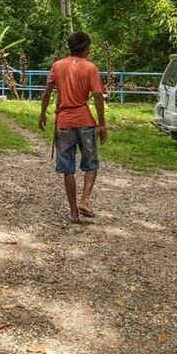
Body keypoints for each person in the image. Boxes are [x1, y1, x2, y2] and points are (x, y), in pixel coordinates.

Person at [38, 31, 107, 223]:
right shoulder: (91, 68)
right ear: (84, 48)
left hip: (64, 123)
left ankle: (74, 212)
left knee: (68, 168)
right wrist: (102, 124)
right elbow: (98, 96)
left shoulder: (57, 66)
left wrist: (42, 114)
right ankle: (85, 200)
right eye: (89, 47)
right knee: (91, 164)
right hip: (85, 121)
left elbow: (46, 93)